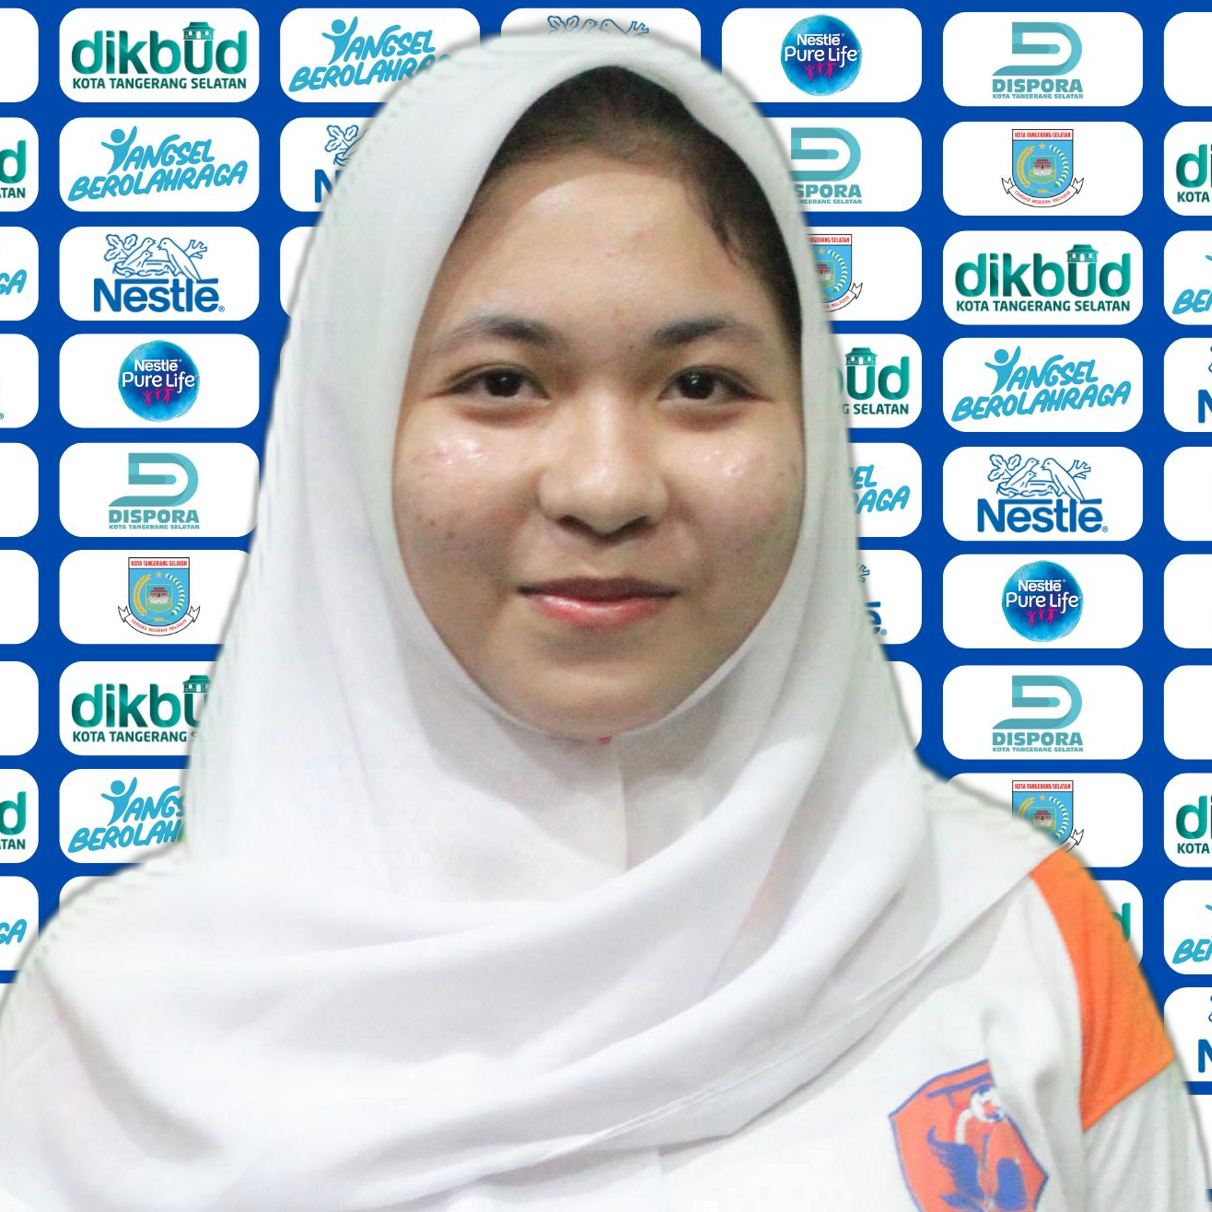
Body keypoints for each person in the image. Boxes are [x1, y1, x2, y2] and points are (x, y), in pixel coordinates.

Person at [0, 34, 1203, 1212]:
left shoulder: (1010, 937)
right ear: (350, 432)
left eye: (701, 386)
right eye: (502, 383)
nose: (608, 488)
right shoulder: (111, 1042)